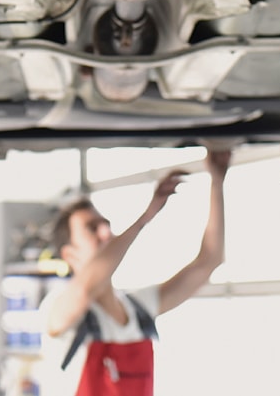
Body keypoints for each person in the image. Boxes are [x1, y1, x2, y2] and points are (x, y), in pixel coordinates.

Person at [39, 149, 231, 396]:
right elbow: (86, 288)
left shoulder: (138, 308)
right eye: (91, 229)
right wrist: (145, 217)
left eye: (106, 224)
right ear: (70, 255)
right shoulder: (57, 308)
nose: (106, 232)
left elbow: (208, 263)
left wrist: (217, 182)